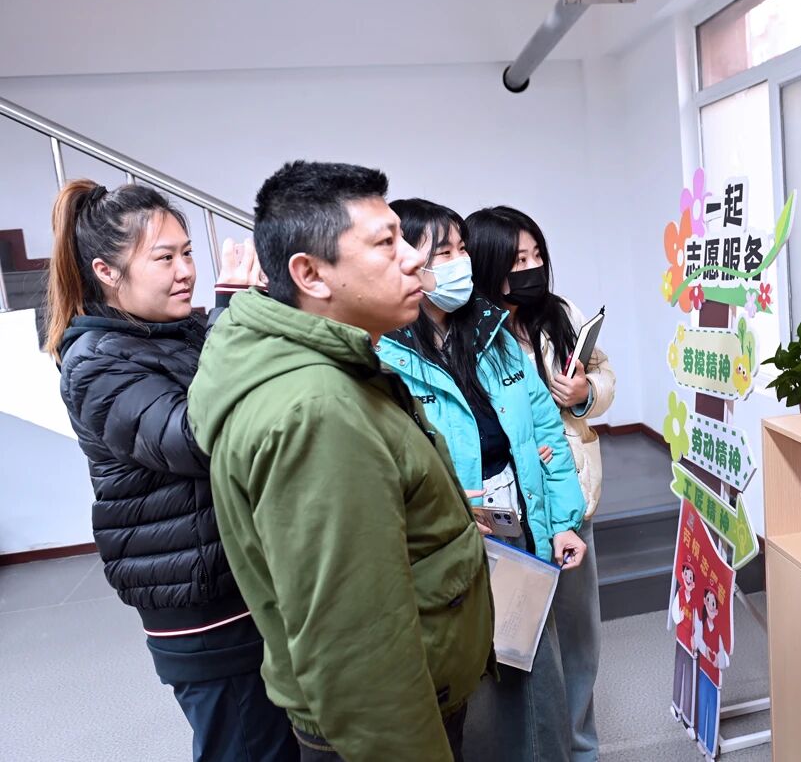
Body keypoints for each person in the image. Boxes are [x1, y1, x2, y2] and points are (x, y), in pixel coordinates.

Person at [187, 162, 494, 762]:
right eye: (386, 243)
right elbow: (358, 645)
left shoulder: (327, 369)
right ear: (310, 274)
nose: (415, 259)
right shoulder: (317, 410)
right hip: (384, 723)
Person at [46, 180, 298, 762]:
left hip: (235, 580)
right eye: (164, 258)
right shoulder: (95, 362)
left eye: (187, 252)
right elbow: (196, 438)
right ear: (107, 272)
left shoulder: (175, 333)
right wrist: (233, 318)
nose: (186, 270)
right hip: (200, 605)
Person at [375, 198, 587, 762]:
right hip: (451, 543)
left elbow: (544, 429)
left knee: (536, 676)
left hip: (519, 526)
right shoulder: (385, 353)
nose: (460, 262)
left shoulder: (491, 332)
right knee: (472, 684)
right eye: (443, 252)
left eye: (461, 249)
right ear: (405, 261)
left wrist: (564, 521)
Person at [465, 205, 615, 761]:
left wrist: (585, 394)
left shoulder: (560, 312)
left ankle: (581, 749)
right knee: (520, 645)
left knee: (579, 640)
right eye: (516, 260)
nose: (530, 269)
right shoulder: (471, 332)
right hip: (513, 513)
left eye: (535, 257)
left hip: (573, 497)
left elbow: (604, 374)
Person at [694, 587, 730, 759]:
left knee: (713, 708)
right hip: (704, 671)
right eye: (709, 601)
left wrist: (718, 660)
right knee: (702, 704)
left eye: (714, 603)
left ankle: (710, 746)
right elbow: (698, 639)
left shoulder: (719, 630)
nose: (711, 605)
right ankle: (701, 739)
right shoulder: (702, 623)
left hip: (714, 677)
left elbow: (724, 657)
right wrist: (707, 651)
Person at [670, 562, 699, 737]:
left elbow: (699, 623)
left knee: (689, 678)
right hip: (680, 638)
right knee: (678, 671)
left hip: (691, 644)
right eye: (686, 575)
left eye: (691, 577)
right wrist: (678, 617)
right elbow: (675, 611)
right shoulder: (681, 593)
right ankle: (676, 705)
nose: (688, 579)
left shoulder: (696, 600)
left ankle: (689, 720)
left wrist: (697, 639)